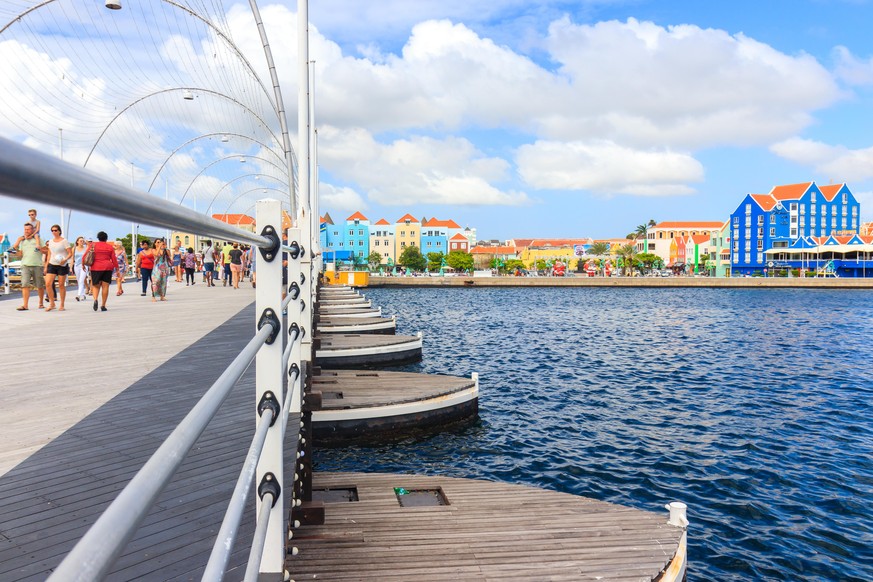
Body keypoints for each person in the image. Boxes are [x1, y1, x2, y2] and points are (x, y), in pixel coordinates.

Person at [11, 223, 45, 310]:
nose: (26, 231)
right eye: (25, 229)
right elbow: (20, 254)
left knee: (40, 285)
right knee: (25, 285)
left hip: (37, 265)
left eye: (28, 229)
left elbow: (47, 251)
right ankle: (25, 305)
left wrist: (39, 248)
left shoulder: (39, 239)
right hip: (25, 265)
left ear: (33, 230)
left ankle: (41, 303)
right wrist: (17, 243)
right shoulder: (23, 241)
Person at [43, 224, 72, 311]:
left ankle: (62, 304)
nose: (54, 232)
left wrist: (65, 259)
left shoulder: (64, 241)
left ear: (59, 231)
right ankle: (52, 303)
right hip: (52, 264)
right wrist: (46, 266)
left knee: (61, 285)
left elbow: (70, 253)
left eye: (55, 230)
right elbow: (49, 254)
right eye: (52, 230)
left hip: (62, 265)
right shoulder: (50, 241)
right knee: (48, 284)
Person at [88, 231, 116, 312]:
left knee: (96, 285)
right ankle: (103, 305)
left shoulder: (93, 246)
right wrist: (117, 268)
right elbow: (114, 259)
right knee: (105, 286)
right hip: (107, 267)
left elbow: (85, 255)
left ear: (98, 238)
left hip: (95, 267)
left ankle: (95, 299)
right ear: (106, 238)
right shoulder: (110, 247)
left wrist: (83, 264)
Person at [72, 236, 90, 301]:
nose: (82, 242)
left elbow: (89, 245)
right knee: (78, 280)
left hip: (84, 266)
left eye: (82, 241)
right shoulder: (74, 248)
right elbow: (72, 258)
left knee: (81, 280)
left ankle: (79, 295)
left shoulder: (86, 248)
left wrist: (86, 241)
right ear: (77, 242)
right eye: (80, 241)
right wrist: (71, 267)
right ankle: (82, 295)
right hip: (76, 265)